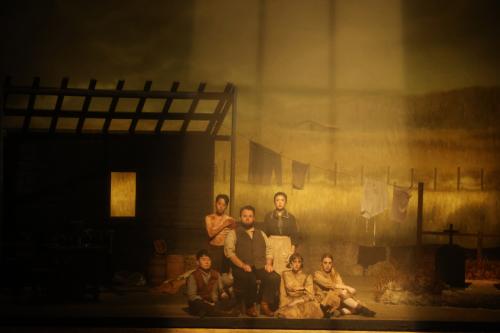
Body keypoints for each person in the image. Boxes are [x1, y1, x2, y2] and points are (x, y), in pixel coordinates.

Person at [224, 205, 281, 317]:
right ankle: (250, 306)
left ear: (254, 218)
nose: (247, 218)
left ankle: (264, 303)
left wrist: (269, 264)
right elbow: (230, 253)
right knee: (250, 278)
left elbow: (269, 250)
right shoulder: (233, 233)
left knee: (274, 277)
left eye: (250, 216)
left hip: (259, 266)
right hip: (241, 267)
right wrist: (242, 265)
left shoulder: (261, 233)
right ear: (240, 217)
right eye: (245, 216)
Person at [313, 253, 376, 318]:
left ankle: (341, 311)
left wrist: (346, 291)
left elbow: (341, 284)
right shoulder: (317, 274)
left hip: (336, 299)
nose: (327, 265)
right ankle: (362, 309)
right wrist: (347, 287)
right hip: (324, 301)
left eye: (330, 263)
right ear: (321, 263)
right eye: (325, 263)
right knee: (342, 294)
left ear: (332, 264)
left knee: (358, 302)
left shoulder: (335, 274)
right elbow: (329, 285)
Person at [186, 249, 239, 317]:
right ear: (197, 262)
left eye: (208, 260)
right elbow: (191, 296)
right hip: (201, 302)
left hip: (214, 302)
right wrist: (207, 303)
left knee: (233, 300)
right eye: (203, 260)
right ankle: (224, 313)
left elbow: (220, 290)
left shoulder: (216, 274)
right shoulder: (193, 276)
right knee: (198, 304)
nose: (207, 262)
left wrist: (223, 294)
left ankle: (211, 311)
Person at [275, 253, 323, 319]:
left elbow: (310, 295)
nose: (297, 264)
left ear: (301, 264)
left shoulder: (307, 276)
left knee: (312, 308)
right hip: (288, 301)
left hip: (303, 301)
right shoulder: (284, 274)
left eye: (299, 262)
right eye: (294, 262)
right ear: (291, 263)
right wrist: (284, 305)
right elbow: (282, 294)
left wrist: (296, 301)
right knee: (288, 312)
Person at [263, 192, 299, 275]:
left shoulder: (291, 217)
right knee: (271, 270)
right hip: (272, 244)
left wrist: (291, 251)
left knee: (285, 270)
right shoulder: (268, 216)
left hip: (286, 244)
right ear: (274, 202)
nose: (279, 202)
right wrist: (267, 248)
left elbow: (294, 235)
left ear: (285, 202)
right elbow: (264, 234)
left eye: (282, 200)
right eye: (277, 200)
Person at [205, 194, 236, 276]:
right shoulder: (209, 218)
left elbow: (234, 237)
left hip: (225, 249)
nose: (221, 207)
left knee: (224, 274)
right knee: (213, 274)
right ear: (215, 203)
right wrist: (223, 225)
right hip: (213, 249)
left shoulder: (230, 220)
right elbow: (210, 234)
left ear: (226, 206)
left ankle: (223, 288)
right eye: (219, 204)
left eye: (224, 205)